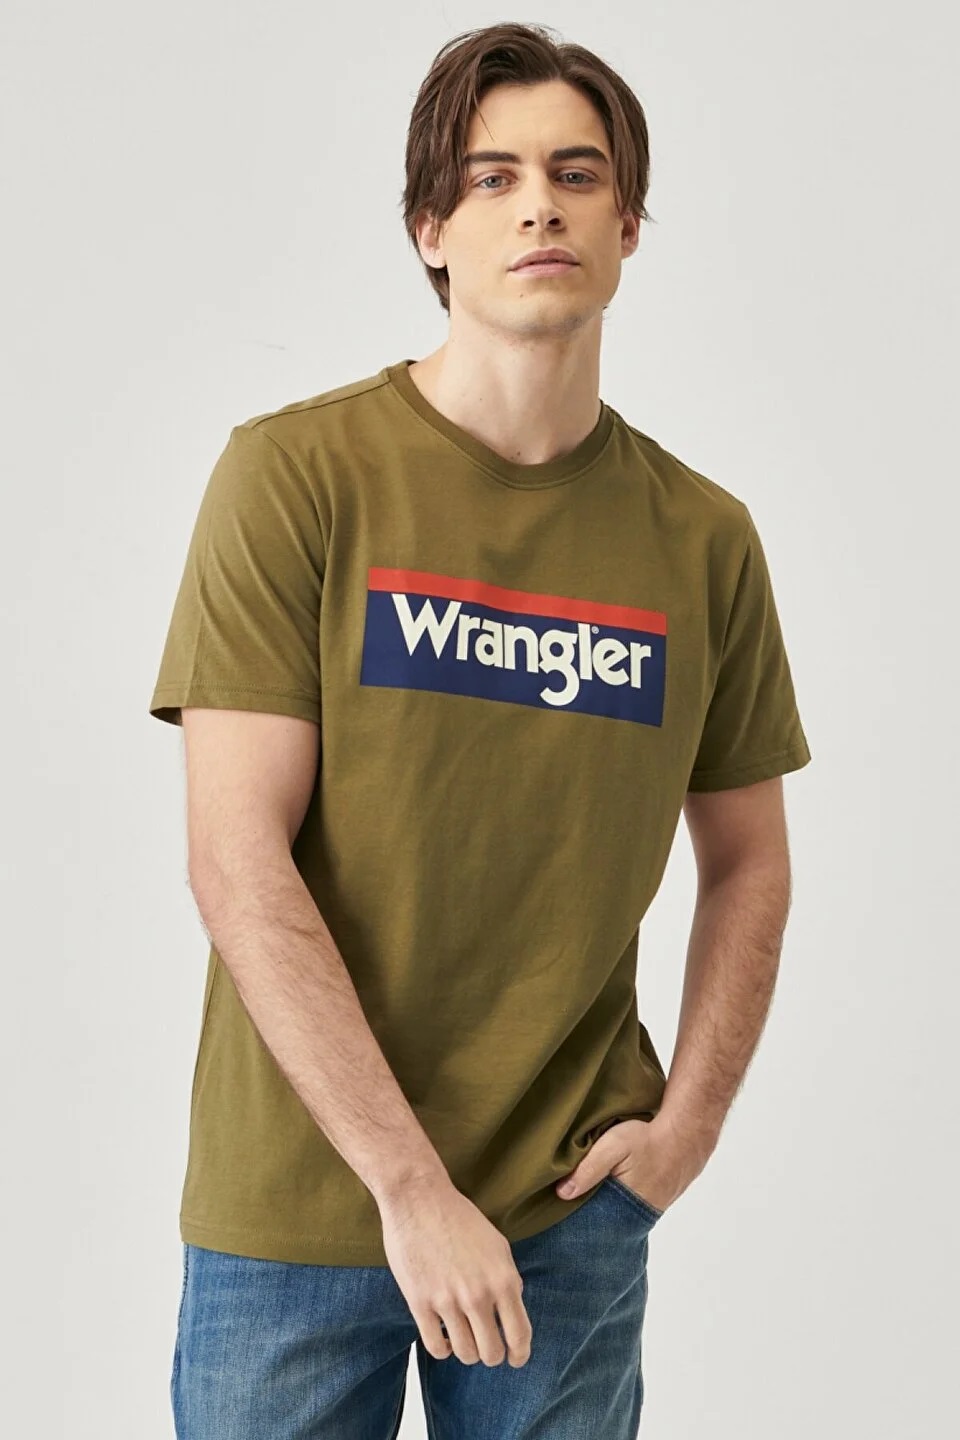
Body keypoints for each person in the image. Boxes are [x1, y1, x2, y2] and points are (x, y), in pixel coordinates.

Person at [149, 20, 812, 1439]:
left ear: (628, 226)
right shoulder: (297, 477)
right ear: (430, 230)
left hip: (567, 1211)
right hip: (302, 1210)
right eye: (492, 176)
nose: (539, 207)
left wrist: (685, 1133)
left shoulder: (703, 540)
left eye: (577, 174)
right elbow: (237, 859)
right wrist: (409, 1188)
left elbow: (750, 857)